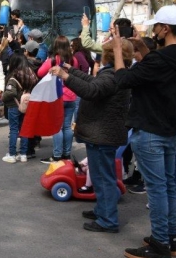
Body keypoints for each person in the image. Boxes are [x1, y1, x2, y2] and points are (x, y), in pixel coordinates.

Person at [113, 5, 176, 258]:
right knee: (169, 186)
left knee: (158, 190)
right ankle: (170, 240)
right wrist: (142, 46)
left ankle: (160, 243)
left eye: (157, 26)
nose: (155, 30)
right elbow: (157, 61)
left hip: (150, 131)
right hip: (172, 131)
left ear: (165, 29)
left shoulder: (158, 60)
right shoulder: (166, 58)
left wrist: (119, 51)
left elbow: (122, 80)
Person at [50, 39, 134, 234]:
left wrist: (65, 76)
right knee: (100, 176)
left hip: (102, 135)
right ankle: (103, 211)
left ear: (108, 55)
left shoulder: (112, 76)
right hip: (102, 135)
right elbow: (93, 82)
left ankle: (108, 220)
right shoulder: (114, 74)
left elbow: (91, 90)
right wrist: (71, 71)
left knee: (104, 178)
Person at [38, 36, 79, 163]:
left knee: (57, 127)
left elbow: (39, 73)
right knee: (67, 127)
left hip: (57, 96)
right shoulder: (73, 59)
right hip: (71, 96)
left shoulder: (53, 60)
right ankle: (66, 155)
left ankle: (56, 155)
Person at [1, 52, 37, 163]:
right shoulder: (31, 75)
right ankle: (23, 154)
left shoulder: (14, 76)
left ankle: (12, 154)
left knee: (13, 130)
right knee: (23, 130)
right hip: (26, 106)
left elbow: (11, 92)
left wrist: (2, 96)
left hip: (14, 106)